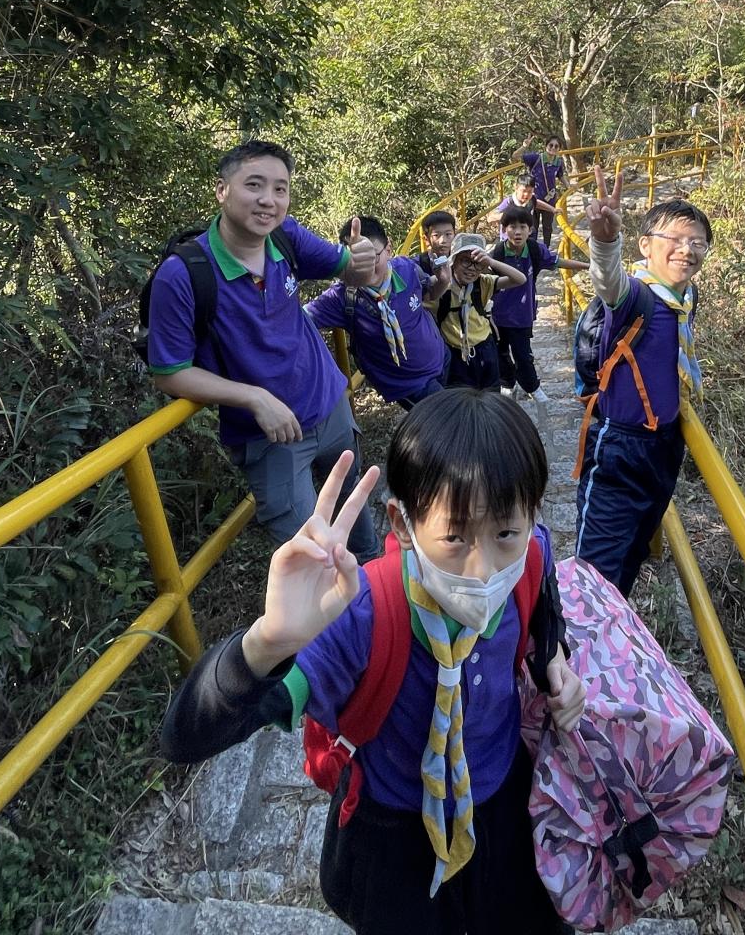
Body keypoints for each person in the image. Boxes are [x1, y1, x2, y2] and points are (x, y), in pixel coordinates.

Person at [160, 389, 584, 935]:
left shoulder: (530, 554)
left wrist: (554, 660)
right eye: (454, 537)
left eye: (505, 532)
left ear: (532, 515)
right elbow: (184, 739)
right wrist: (268, 642)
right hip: (395, 834)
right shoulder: (358, 618)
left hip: (505, 805)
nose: (483, 570)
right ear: (403, 525)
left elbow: (545, 606)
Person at [147, 139, 379, 558]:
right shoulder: (182, 275)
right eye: (254, 185)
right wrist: (253, 397)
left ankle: (374, 583)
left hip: (330, 405)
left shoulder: (285, 237)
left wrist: (361, 262)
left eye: (280, 189)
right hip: (271, 438)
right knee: (313, 557)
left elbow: (350, 274)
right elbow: (169, 373)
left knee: (356, 515)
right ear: (222, 190)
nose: (268, 200)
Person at [576, 166, 712, 598]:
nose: (686, 250)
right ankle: (577, 636)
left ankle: (615, 631)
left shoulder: (684, 298)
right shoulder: (637, 295)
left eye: (697, 242)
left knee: (632, 554)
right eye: (675, 239)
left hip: (665, 445)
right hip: (620, 448)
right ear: (645, 245)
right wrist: (604, 242)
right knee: (596, 572)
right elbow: (609, 282)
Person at [305, 216, 451, 412]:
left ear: (388, 249)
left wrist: (443, 282)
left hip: (441, 357)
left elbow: (428, 293)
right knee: (452, 420)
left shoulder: (405, 269)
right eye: (353, 260)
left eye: (372, 257)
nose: (364, 267)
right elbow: (296, 320)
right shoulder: (341, 297)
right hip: (409, 383)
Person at [491, 204, 588, 427]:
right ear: (504, 229)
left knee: (523, 355)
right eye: (512, 227)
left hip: (522, 316)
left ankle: (533, 387)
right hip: (497, 316)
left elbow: (558, 262)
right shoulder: (497, 254)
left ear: (530, 229)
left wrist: (587, 265)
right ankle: (508, 384)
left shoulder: (535, 250)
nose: (517, 232)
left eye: (522, 227)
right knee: (500, 353)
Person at [437, 233, 525, 391]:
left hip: (485, 348)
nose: (471, 268)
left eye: (477, 263)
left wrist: (491, 262)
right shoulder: (442, 288)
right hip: (455, 354)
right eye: (465, 261)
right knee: (461, 399)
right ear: (453, 262)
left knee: (491, 395)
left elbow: (520, 279)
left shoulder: (483, 283)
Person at [520, 135, 567, 247]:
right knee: (532, 228)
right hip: (533, 199)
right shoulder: (536, 158)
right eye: (551, 145)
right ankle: (532, 249)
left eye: (556, 146)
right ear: (546, 146)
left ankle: (546, 249)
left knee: (547, 228)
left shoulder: (558, 162)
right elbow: (514, 157)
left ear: (559, 149)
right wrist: (524, 146)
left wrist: (569, 186)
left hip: (549, 200)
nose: (553, 148)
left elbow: (560, 175)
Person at [487, 172, 556, 241]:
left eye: (530, 191)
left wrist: (552, 209)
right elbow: (491, 218)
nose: (526, 194)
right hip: (510, 240)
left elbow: (536, 203)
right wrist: (509, 215)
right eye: (523, 191)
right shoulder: (509, 202)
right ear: (516, 188)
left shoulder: (531, 199)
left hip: (528, 237)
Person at [417, 209, 456, 277]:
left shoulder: (462, 259)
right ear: (426, 239)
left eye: (448, 234)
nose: (443, 240)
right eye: (436, 235)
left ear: (455, 235)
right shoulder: (418, 264)